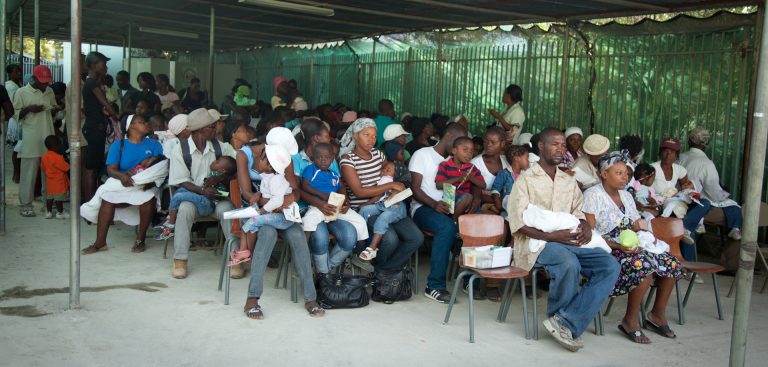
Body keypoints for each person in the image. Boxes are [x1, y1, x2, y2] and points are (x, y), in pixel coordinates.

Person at [507, 127, 619, 352]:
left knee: (610, 265)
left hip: (567, 240)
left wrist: (585, 225)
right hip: (535, 243)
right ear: (541, 146)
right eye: (555, 144)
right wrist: (550, 236)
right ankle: (564, 322)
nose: (560, 149)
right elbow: (518, 222)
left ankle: (565, 320)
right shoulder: (527, 179)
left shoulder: (568, 180)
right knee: (568, 262)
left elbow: (578, 212)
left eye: (563, 145)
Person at [583, 150, 682, 344]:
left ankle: (657, 315)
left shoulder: (627, 196)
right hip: (606, 248)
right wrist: (617, 244)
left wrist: (648, 237)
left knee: (670, 261)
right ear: (604, 174)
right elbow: (590, 235)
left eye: (627, 174)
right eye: (619, 173)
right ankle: (630, 320)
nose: (625, 177)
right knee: (644, 265)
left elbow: (637, 224)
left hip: (630, 244)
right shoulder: (592, 195)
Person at [242, 144, 325, 320]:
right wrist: (260, 200)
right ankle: (252, 298)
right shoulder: (264, 175)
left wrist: (286, 198)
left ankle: (311, 298)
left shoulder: (285, 167)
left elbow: (296, 191)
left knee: (299, 239)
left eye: (262, 157)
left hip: (285, 217)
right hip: (270, 219)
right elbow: (261, 197)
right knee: (266, 236)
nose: (259, 159)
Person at [339, 118, 423, 278]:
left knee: (416, 237)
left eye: (374, 135)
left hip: (389, 204)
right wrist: (390, 187)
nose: (371, 139)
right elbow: (359, 192)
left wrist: (397, 189)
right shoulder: (348, 160)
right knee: (390, 239)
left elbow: (394, 175)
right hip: (366, 209)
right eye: (366, 135)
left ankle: (383, 271)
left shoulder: (378, 154)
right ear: (356, 136)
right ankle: (382, 273)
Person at [80, 114, 165, 254]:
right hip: (125, 183)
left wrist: (149, 181)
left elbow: (160, 167)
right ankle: (100, 243)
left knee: (149, 198)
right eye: (142, 122)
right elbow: (111, 169)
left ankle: (140, 240)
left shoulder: (154, 144)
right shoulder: (118, 145)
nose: (146, 124)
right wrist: (122, 176)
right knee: (108, 198)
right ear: (131, 126)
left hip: (145, 185)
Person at [168, 108, 236, 278]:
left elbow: (235, 171)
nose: (216, 129)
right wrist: (203, 190)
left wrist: (221, 178)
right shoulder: (180, 150)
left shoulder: (221, 148)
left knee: (229, 211)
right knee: (184, 209)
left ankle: (235, 257)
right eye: (212, 127)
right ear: (200, 129)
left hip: (217, 198)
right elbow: (181, 180)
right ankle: (180, 260)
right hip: (195, 196)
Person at [289, 121, 363, 274]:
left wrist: (344, 201)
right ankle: (321, 275)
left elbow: (338, 183)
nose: (330, 139)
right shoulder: (296, 159)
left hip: (331, 208)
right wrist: (319, 203)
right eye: (327, 136)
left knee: (350, 236)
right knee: (321, 238)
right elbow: (298, 189)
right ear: (316, 138)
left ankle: (324, 273)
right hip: (307, 208)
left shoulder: (329, 159)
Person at [409, 122, 469, 302]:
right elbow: (415, 188)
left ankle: (471, 280)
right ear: (449, 136)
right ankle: (434, 286)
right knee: (446, 227)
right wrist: (434, 204)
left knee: (475, 225)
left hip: (446, 208)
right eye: (459, 144)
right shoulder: (423, 154)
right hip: (423, 208)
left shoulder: (451, 162)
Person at [300, 142, 369, 260]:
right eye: (319, 157)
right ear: (313, 158)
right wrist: (323, 195)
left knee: (361, 222)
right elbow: (305, 186)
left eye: (327, 157)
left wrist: (345, 200)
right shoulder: (310, 169)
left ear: (332, 158)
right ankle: (302, 251)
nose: (323, 160)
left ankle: (359, 255)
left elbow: (341, 187)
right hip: (319, 206)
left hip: (336, 207)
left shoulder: (334, 174)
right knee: (308, 221)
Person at [13, 65, 61, 217]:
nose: (45, 84)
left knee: (50, 172)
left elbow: (53, 111)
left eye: (47, 81)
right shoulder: (21, 92)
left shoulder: (50, 91)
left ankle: (48, 203)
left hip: (48, 136)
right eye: (42, 81)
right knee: (29, 172)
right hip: (31, 137)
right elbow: (15, 116)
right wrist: (28, 109)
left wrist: (54, 110)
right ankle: (26, 204)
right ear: (34, 79)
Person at [651, 138, 710, 260]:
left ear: (676, 155)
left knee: (705, 202)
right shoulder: (652, 169)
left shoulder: (680, 170)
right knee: (689, 228)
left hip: (678, 203)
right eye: (666, 151)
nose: (668, 154)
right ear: (660, 153)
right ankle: (690, 266)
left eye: (672, 152)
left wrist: (690, 193)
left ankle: (686, 227)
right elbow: (644, 190)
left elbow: (686, 188)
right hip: (661, 205)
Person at [679, 127, 742, 241]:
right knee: (733, 206)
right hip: (697, 199)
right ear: (706, 144)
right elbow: (713, 191)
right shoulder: (707, 163)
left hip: (679, 196)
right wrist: (724, 192)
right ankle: (735, 228)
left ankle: (701, 223)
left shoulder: (680, 157)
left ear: (689, 141)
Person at [160, 156, 236, 240]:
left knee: (178, 196)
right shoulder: (214, 174)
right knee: (181, 190)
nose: (214, 161)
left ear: (222, 170)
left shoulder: (217, 176)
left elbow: (223, 194)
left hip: (207, 204)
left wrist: (215, 193)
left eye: (217, 162)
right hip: (203, 200)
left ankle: (170, 224)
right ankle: (171, 217)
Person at [354, 159, 407, 261]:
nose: (385, 171)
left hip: (396, 208)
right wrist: (366, 204)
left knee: (383, 218)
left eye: (389, 170)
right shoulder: (383, 180)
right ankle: (361, 239)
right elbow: (378, 196)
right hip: (382, 205)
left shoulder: (398, 182)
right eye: (384, 169)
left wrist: (394, 192)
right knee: (364, 210)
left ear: (396, 174)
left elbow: (401, 190)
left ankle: (372, 248)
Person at [435, 136, 486, 220]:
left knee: (479, 219)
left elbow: (483, 185)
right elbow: (439, 185)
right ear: (454, 150)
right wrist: (458, 178)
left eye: (471, 151)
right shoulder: (445, 165)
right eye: (465, 150)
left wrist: (470, 178)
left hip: (467, 203)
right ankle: (453, 221)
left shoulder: (472, 168)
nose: (469, 153)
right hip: (450, 201)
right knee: (467, 197)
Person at [470, 126, 509, 212]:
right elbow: (474, 193)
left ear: (502, 143)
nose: (488, 145)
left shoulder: (507, 163)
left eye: (493, 142)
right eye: (486, 141)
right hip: (483, 207)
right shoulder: (475, 163)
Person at [491, 144, 530, 217]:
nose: (528, 162)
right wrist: (499, 206)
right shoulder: (504, 173)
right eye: (527, 158)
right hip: (509, 201)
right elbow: (495, 190)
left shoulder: (526, 175)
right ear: (516, 158)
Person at [41, 135, 70, 219]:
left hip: (49, 182)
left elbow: (43, 168)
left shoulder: (44, 157)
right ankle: (60, 212)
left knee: (49, 198)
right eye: (59, 145)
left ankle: (49, 212)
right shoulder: (58, 158)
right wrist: (67, 161)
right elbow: (66, 168)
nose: (60, 146)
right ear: (55, 146)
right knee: (58, 199)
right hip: (59, 182)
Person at [5, 64, 23, 183]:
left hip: (19, 117)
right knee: (18, 147)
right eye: (16, 72)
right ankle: (16, 173)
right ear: (10, 73)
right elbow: (13, 102)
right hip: (15, 118)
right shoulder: (10, 86)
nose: (18, 74)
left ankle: (17, 173)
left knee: (19, 147)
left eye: (19, 72)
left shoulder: (17, 85)